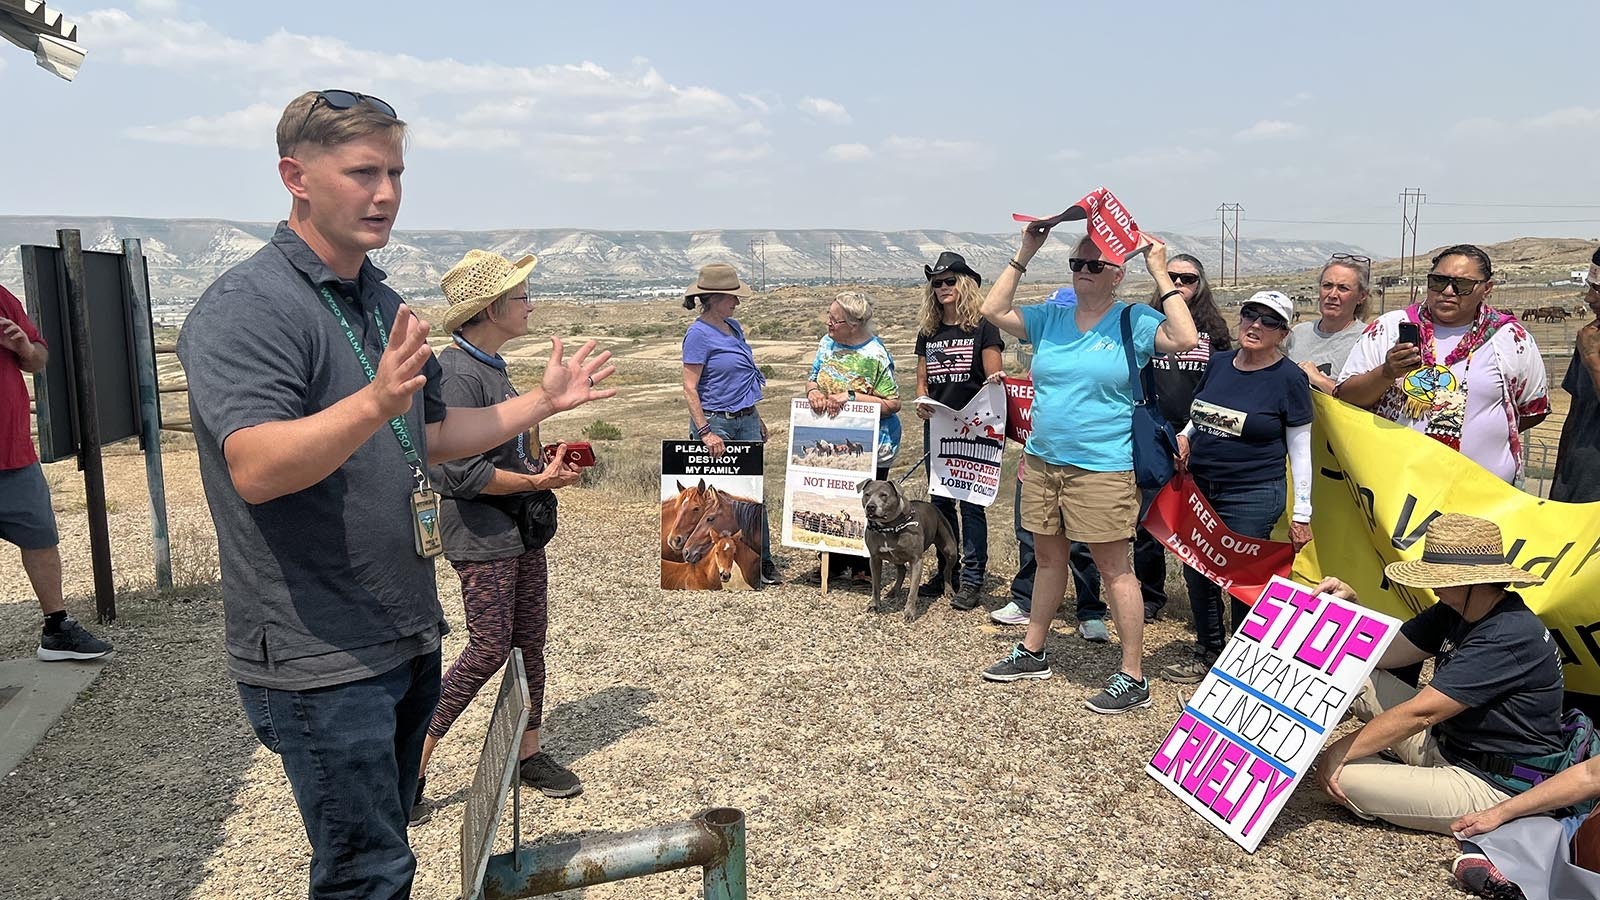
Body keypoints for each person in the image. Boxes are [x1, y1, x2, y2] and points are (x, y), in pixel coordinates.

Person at [177, 90, 614, 899]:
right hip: (319, 652)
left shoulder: (380, 302)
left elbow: (434, 434)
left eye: (396, 172)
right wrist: (372, 403)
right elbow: (256, 467)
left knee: (385, 850)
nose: (385, 194)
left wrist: (543, 403)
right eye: (362, 172)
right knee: (367, 872)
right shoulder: (249, 307)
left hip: (403, 629)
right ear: (294, 177)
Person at [977, 222, 1198, 716]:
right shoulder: (1052, 318)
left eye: (1093, 265)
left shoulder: (1133, 321)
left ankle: (1133, 675)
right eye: (1076, 263)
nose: (1082, 272)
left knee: (1114, 568)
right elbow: (991, 311)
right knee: (1048, 558)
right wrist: (1025, 251)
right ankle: (1033, 650)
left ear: (1116, 273)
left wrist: (1159, 272)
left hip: (1103, 466)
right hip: (1044, 460)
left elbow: (1184, 336)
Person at [412, 250, 587, 824]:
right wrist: (536, 479)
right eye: (521, 297)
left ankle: (527, 752)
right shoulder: (459, 373)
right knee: (489, 646)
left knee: (528, 641)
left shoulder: (487, 365)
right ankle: (412, 760)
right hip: (482, 535)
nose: (530, 304)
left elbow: (498, 451)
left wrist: (544, 461)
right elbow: (455, 472)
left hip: (516, 530)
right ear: (490, 310)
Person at [1313, 513, 1565, 837]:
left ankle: (1394, 778)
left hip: (1491, 782)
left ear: (1472, 580)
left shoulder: (1509, 634)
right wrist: (1352, 608)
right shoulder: (1456, 609)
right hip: (1446, 742)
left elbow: (1422, 712)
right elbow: (1383, 654)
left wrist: (1339, 750)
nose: (1432, 585)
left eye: (1440, 576)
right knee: (1352, 675)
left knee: (1343, 776)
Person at [1067, 252, 1230, 633]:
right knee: (1146, 521)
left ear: (1200, 285)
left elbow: (1220, 387)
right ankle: (1151, 596)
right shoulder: (1145, 322)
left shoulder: (1215, 331)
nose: (1177, 284)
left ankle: (1207, 612)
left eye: (1187, 279)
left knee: (1197, 524)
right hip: (1152, 432)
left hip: (1199, 434)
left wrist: (1189, 432)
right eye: (1170, 276)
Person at [1159, 290, 1313, 683]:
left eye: (1270, 321)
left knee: (1243, 579)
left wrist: (1302, 514)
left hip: (1252, 492)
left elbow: (1300, 448)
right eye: (1250, 315)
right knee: (1197, 570)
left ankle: (1244, 664)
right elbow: (1203, 412)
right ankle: (1208, 648)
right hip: (1201, 487)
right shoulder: (1220, 363)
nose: (1256, 325)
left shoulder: (1289, 378)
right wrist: (1186, 435)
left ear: (1283, 333)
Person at [1337, 244, 1549, 484]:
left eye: (1462, 285)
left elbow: (1532, 410)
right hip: (1396, 488)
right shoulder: (1389, 328)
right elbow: (1346, 398)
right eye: (1438, 281)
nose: (1448, 291)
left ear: (1486, 288)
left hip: (1486, 492)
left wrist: (1482, 434)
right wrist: (1387, 373)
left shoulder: (1510, 338)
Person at [0, 284, 113, 662]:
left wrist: (23, 348)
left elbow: (37, 358)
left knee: (40, 539)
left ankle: (57, 628)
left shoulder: (1, 297)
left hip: (13, 453)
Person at [913, 252, 1003, 609]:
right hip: (939, 426)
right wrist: (922, 399)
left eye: (950, 281)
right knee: (940, 500)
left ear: (964, 284)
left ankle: (972, 577)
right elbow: (922, 379)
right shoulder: (929, 331)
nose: (943, 288)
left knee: (971, 504)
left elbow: (993, 380)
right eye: (937, 283)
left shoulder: (982, 326)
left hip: (974, 427)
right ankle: (947, 568)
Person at [681, 263, 779, 585]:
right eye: (731, 297)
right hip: (717, 423)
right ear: (713, 298)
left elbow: (742, 381)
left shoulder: (733, 328)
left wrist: (757, 416)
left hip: (746, 418)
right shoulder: (697, 334)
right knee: (714, 501)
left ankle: (761, 561)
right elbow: (690, 387)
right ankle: (702, 558)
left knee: (752, 494)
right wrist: (705, 431)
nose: (736, 303)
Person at [803, 291, 902, 585]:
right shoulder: (826, 343)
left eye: (835, 320)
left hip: (872, 444)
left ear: (854, 325)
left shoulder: (876, 355)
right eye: (829, 316)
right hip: (829, 441)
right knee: (830, 498)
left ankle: (863, 566)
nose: (828, 323)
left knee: (865, 503)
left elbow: (893, 403)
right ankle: (831, 563)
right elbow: (813, 377)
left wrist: (852, 397)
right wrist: (813, 392)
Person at [1551, 247, 1600, 503]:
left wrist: (1593, 361)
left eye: (1598, 290)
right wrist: (1560, 483)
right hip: (1577, 492)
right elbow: (1575, 417)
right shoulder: (1590, 338)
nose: (1589, 298)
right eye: (1590, 287)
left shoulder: (1590, 347)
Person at [1289, 253, 1369, 393]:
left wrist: (1319, 380)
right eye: (1327, 286)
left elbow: (1364, 400)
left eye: (1343, 288)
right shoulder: (1298, 334)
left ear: (1361, 296)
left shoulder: (1367, 341)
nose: (1332, 295)